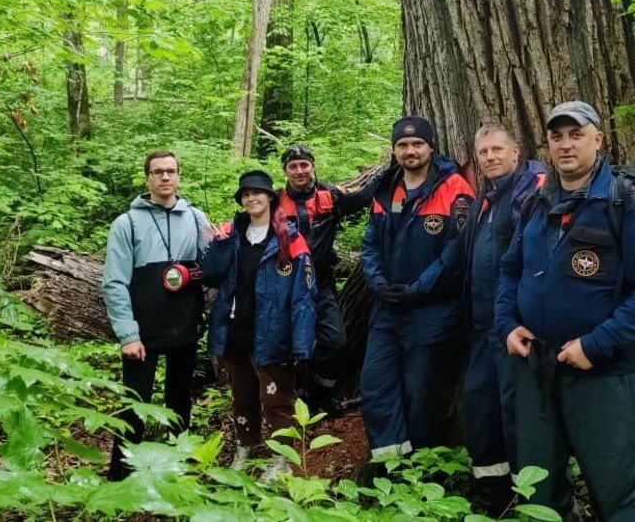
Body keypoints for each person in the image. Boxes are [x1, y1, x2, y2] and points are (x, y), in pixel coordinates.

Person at [495, 101, 635, 520]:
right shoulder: (536, 202)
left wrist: (596, 345)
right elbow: (509, 270)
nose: (565, 145)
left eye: (576, 135)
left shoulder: (627, 202)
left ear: (599, 139)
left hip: (600, 374)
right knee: (538, 490)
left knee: (622, 495)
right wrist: (507, 325)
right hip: (536, 368)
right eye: (556, 137)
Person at [360, 116, 475, 458]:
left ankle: (420, 468)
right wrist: (379, 284)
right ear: (394, 150)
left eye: (417, 144)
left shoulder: (454, 188)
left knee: (421, 393)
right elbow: (370, 246)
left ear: (430, 147)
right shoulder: (386, 189)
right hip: (388, 308)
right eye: (402, 145)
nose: (410, 151)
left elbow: (457, 250)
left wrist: (419, 288)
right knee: (375, 383)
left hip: (433, 310)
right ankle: (389, 462)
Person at [102, 150, 213, 481]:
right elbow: (115, 283)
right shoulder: (127, 223)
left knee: (179, 403)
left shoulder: (196, 218)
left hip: (185, 327)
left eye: (171, 171)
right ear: (147, 178)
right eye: (158, 172)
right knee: (135, 404)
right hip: (143, 332)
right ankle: (121, 476)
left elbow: (215, 263)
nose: (165, 177)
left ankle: (176, 470)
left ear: (179, 176)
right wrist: (128, 334)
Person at [203, 170, 317, 484]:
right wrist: (220, 245)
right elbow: (210, 275)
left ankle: (281, 458)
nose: (252, 198)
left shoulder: (289, 238)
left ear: (270, 197)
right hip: (234, 331)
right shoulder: (231, 233)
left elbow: (304, 295)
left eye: (258, 193)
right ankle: (245, 450)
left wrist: (301, 343)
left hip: (271, 333)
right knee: (242, 396)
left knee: (276, 399)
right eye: (246, 194)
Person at [461, 125, 545, 514]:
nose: (490, 157)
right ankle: (489, 496)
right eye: (483, 152)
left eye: (497, 149)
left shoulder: (533, 191)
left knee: (519, 419)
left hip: (515, 328)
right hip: (481, 330)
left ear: (515, 152)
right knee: (479, 413)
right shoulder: (487, 198)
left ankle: (529, 498)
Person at [277, 144, 378, 414]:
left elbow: (362, 198)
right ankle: (293, 398)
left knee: (335, 340)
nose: (299, 171)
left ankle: (320, 391)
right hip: (284, 283)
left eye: (304, 165)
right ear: (285, 171)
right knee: (286, 343)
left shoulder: (330, 196)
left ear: (312, 165)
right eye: (293, 166)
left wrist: (387, 172)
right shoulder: (274, 202)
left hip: (320, 282)